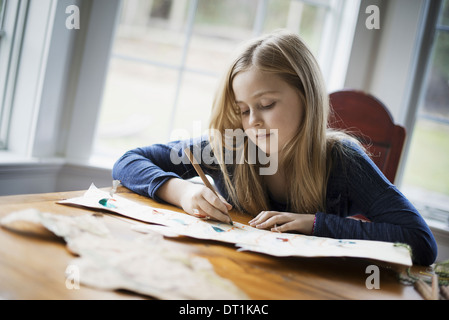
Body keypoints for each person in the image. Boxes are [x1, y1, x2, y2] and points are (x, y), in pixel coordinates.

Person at [112, 30, 437, 265]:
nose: (252, 121)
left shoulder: (343, 161)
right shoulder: (230, 146)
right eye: (242, 109)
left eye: (266, 104)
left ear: (307, 98)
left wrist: (315, 225)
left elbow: (421, 243)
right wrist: (181, 192)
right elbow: (129, 160)